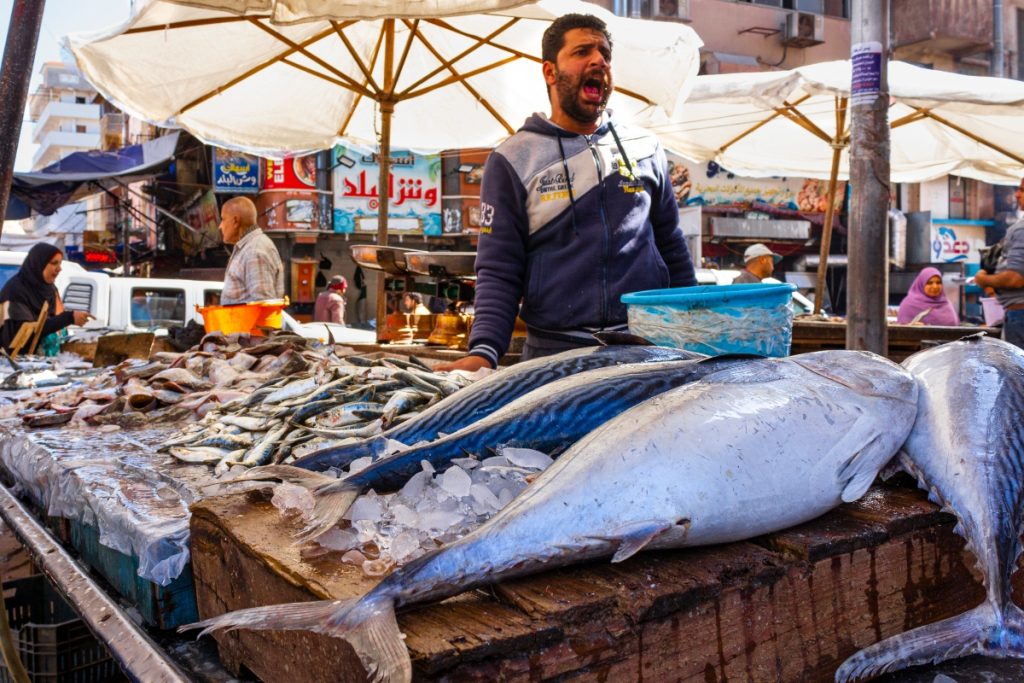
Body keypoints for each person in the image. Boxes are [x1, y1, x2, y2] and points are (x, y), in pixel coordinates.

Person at [436, 13, 696, 371]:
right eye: (582, 51)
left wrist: (695, 328)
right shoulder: (513, 158)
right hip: (552, 355)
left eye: (604, 53)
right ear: (550, 72)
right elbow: (499, 267)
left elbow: (672, 246)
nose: (599, 61)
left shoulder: (645, 149)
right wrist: (484, 351)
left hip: (645, 350)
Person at [0, 243, 92, 353]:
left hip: (42, 359)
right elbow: (26, 333)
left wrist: (69, 319)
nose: (59, 269)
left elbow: (52, 322)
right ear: (38, 264)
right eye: (54, 263)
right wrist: (69, 318)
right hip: (13, 362)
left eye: (60, 264)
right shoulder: (15, 291)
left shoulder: (49, 289)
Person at [976, 178, 1024, 348]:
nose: (1017, 194)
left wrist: (984, 280)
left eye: (1022, 190)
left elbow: (1015, 278)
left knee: (1018, 373)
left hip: (1020, 314)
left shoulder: (1021, 229)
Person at [219, 196, 284, 305]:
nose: (220, 226)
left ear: (235, 221)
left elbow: (263, 307)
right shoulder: (247, 247)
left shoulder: (254, 251)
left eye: (223, 219)